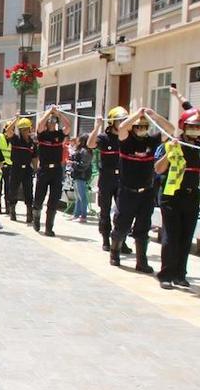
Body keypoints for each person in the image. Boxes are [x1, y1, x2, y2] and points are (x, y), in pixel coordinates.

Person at [110, 108, 175, 272]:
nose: (141, 129)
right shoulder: (126, 141)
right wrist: (137, 115)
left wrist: (154, 116)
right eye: (138, 127)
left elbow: (170, 130)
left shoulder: (151, 141)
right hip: (127, 191)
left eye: (144, 126)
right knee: (121, 226)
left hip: (146, 192)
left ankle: (141, 261)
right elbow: (123, 127)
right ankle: (114, 253)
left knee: (143, 227)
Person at [155, 101, 200, 289]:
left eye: (198, 127)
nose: (195, 130)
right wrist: (170, 152)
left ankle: (180, 274)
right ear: (184, 127)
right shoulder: (172, 144)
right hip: (171, 196)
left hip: (192, 196)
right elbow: (158, 169)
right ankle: (166, 274)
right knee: (171, 236)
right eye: (192, 127)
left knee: (186, 236)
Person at [88, 107, 133, 255]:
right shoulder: (104, 138)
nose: (122, 123)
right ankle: (106, 240)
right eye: (120, 120)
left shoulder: (128, 138)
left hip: (123, 179)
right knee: (105, 211)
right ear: (112, 122)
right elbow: (90, 144)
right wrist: (97, 126)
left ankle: (121, 241)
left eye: (124, 121)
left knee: (123, 212)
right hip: (107, 179)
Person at [33, 107, 71, 236]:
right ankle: (36, 218)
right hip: (44, 169)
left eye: (55, 121)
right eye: (51, 121)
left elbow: (68, 126)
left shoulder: (59, 135)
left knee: (54, 200)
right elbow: (39, 124)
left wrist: (59, 114)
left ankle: (49, 227)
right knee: (39, 197)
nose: (53, 123)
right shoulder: (42, 135)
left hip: (56, 170)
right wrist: (49, 112)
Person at [5, 117, 36, 223]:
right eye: (22, 129)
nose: (25, 131)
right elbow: (8, 131)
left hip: (27, 169)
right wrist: (15, 119)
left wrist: (35, 169)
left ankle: (29, 213)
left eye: (27, 129)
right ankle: (12, 210)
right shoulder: (16, 139)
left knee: (29, 190)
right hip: (16, 168)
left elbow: (34, 157)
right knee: (13, 189)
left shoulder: (32, 143)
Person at [68, 134, 92, 223]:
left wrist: (73, 163)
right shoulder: (80, 150)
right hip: (77, 175)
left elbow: (83, 165)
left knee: (82, 196)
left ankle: (83, 215)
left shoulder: (85, 151)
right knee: (77, 196)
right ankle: (76, 214)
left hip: (82, 175)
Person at [0, 121, 13, 213]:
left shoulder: (13, 139)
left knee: (8, 188)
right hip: (0, 166)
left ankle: (8, 208)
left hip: (10, 166)